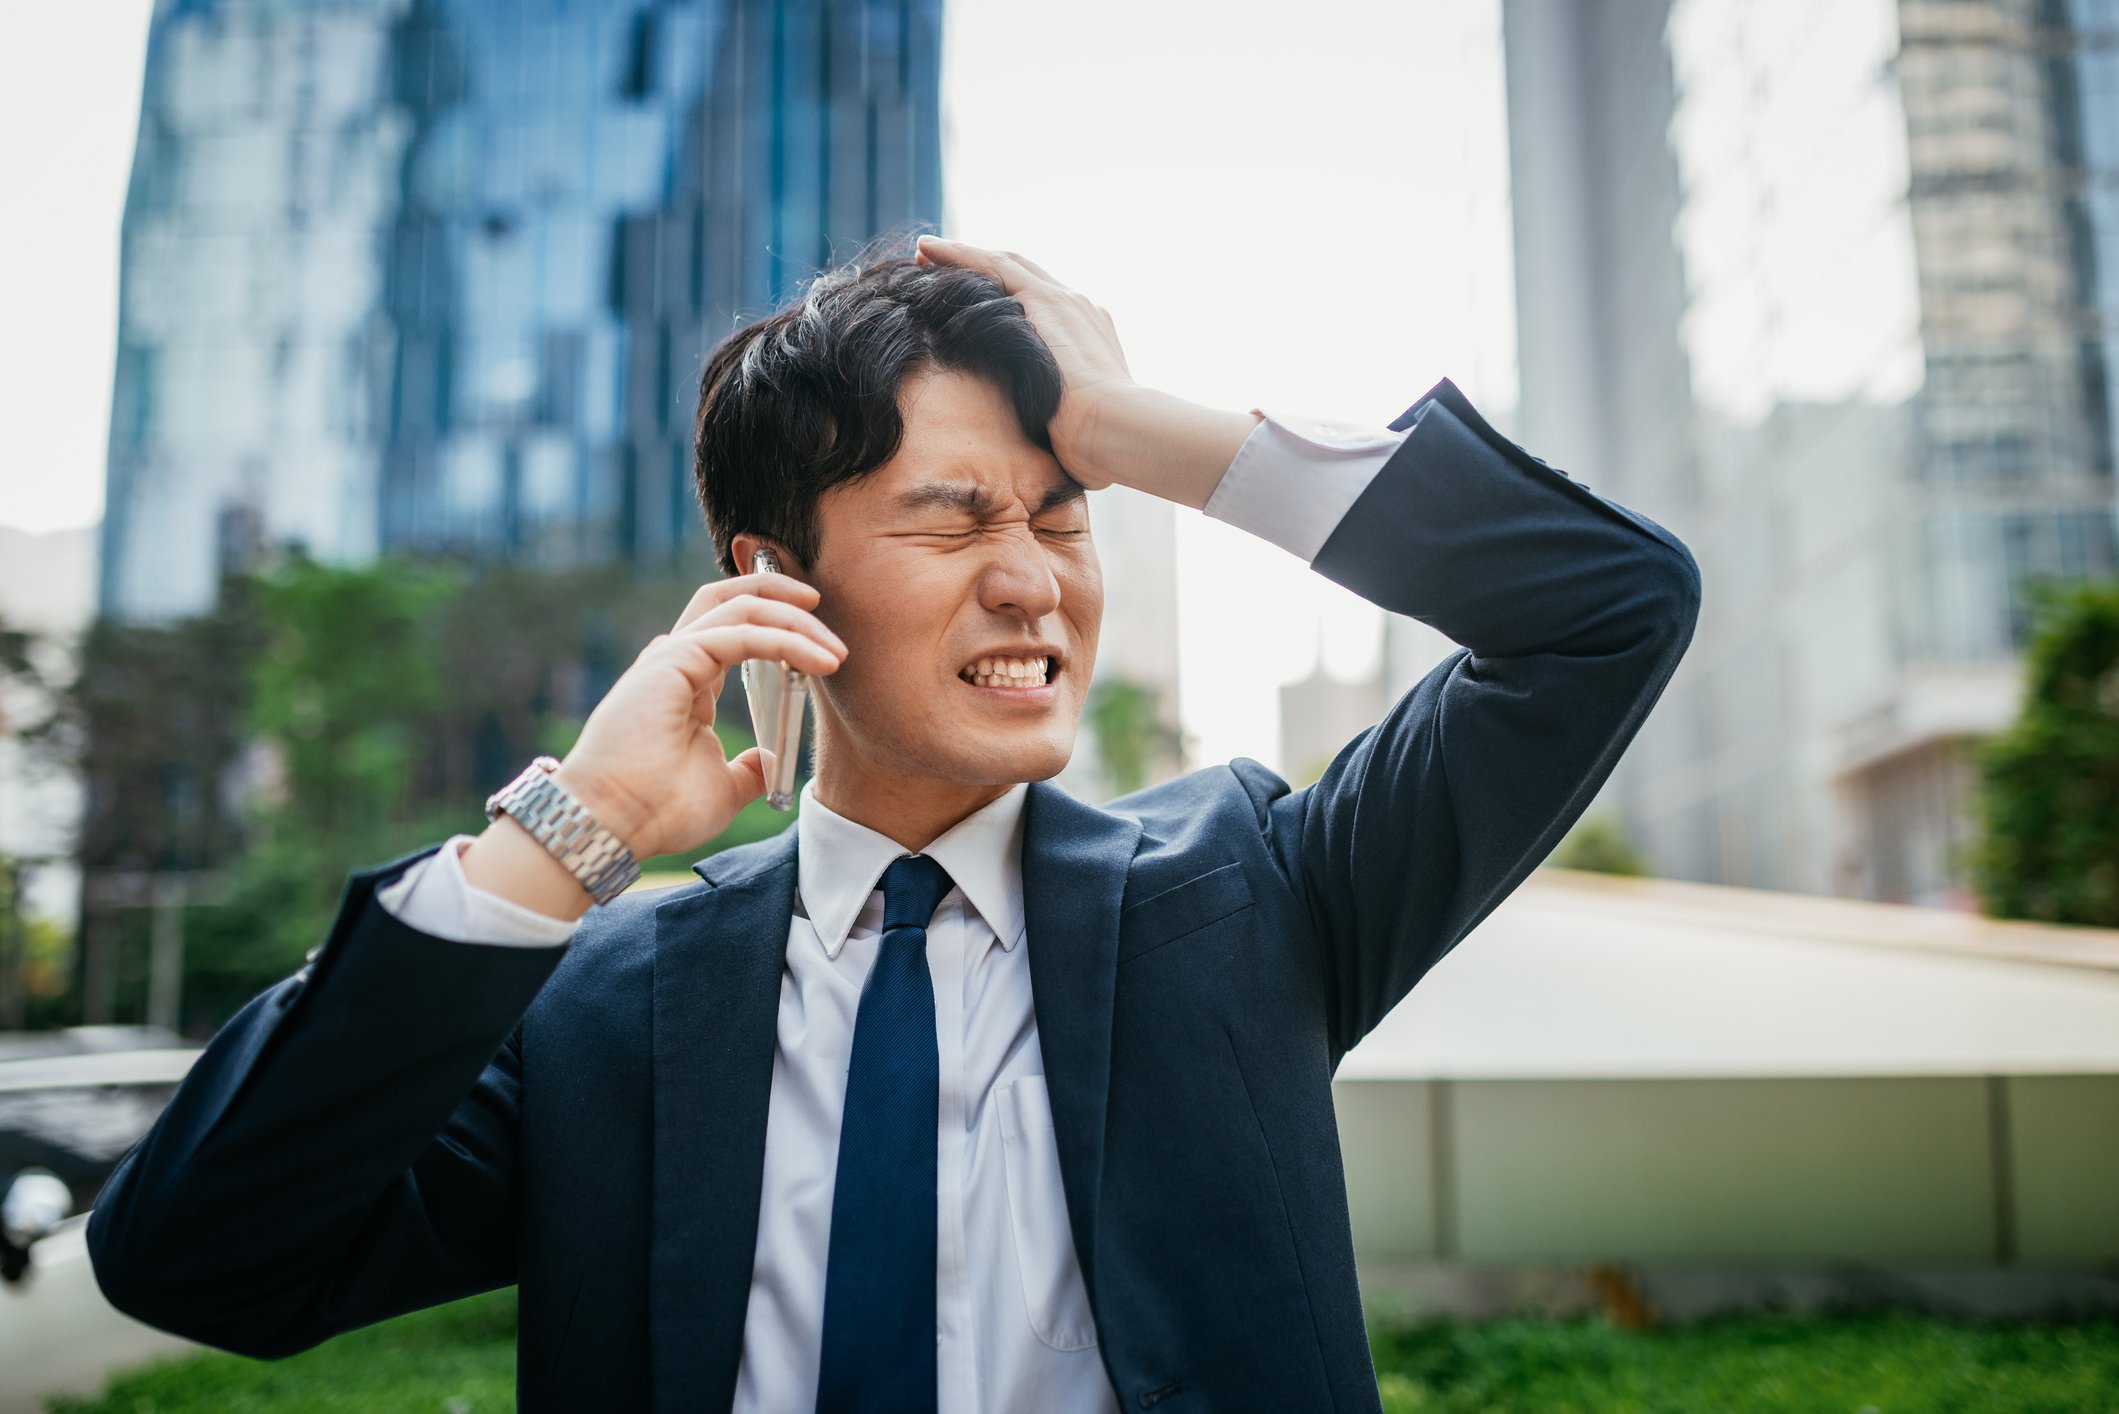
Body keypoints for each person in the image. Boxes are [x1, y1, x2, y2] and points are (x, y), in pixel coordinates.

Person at [87, 234, 1701, 1413]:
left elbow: (1605, 609)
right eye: (955, 517)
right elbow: (197, 1254)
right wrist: (568, 829)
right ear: (771, 579)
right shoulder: (603, 1002)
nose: (1033, 577)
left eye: (1063, 520)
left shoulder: (1250, 888)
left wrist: (1128, 422)